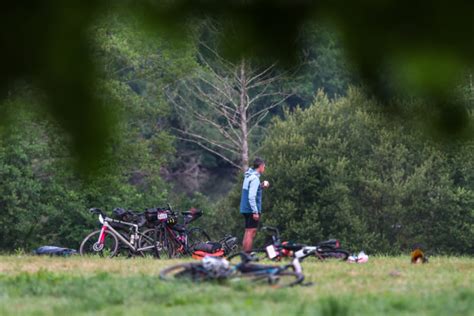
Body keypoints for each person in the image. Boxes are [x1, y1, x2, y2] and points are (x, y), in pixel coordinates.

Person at [240, 157, 269, 253]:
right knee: (251, 232)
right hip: (251, 210)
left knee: (247, 231)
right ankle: (247, 256)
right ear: (260, 166)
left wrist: (260, 186)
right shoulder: (255, 178)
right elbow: (251, 197)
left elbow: (251, 189)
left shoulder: (248, 175)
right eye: (264, 166)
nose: (264, 168)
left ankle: (244, 254)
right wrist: (255, 211)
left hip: (245, 208)